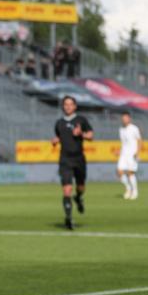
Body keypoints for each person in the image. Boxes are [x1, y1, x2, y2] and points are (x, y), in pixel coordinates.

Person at [52, 96, 93, 230]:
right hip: (65, 160)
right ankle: (69, 218)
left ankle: (79, 198)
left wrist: (81, 134)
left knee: (80, 187)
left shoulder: (81, 120)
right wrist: (55, 140)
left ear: (75, 106)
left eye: (71, 104)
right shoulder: (59, 123)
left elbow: (91, 136)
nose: (68, 106)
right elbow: (59, 135)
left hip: (79, 159)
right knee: (67, 189)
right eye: (66, 104)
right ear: (63, 107)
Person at [117, 111, 142, 200]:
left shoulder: (134, 128)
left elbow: (139, 140)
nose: (124, 120)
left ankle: (135, 191)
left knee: (130, 173)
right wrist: (119, 151)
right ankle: (128, 188)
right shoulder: (121, 129)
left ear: (129, 119)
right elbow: (123, 143)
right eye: (123, 118)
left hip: (132, 154)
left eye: (126, 118)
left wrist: (137, 152)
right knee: (119, 172)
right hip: (123, 154)